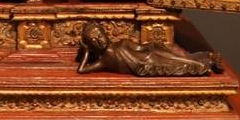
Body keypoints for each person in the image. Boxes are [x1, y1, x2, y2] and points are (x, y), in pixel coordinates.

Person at [75, 21, 223, 77]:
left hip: (148, 55)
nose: (99, 40)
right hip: (145, 65)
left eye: (100, 35)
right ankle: (206, 62)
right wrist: (86, 51)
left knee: (177, 58)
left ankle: (206, 56)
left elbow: (139, 47)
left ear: (105, 32)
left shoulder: (120, 44)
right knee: (178, 64)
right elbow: (82, 70)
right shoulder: (104, 61)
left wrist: (152, 47)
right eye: (93, 40)